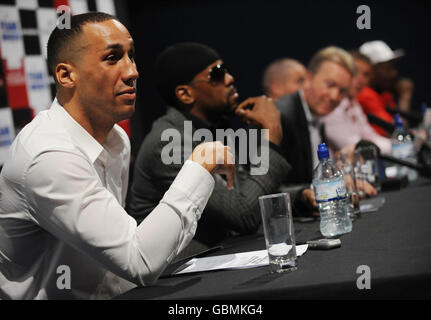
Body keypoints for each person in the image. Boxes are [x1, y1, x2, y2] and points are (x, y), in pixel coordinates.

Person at [0, 13, 235, 300]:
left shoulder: (116, 140)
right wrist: (200, 165)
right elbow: (139, 260)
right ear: (66, 75)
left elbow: (123, 260)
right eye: (112, 58)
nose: (132, 72)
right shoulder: (49, 156)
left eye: (131, 56)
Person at [130, 42, 314, 253]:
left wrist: (300, 196)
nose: (230, 78)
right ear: (185, 94)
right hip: (176, 273)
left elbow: (244, 191)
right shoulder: (168, 144)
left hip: (213, 258)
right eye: (217, 74)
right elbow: (243, 214)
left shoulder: (208, 130)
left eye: (225, 70)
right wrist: (271, 136)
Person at [273, 46, 356, 187]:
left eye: (342, 91)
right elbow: (270, 189)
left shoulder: (316, 115)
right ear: (308, 79)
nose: (334, 96)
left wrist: (340, 181)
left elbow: (312, 178)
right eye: (330, 85)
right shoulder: (280, 117)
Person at [321, 51, 392, 155]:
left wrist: (400, 146)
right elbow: (355, 146)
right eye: (355, 71)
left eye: (366, 74)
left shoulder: (353, 104)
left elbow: (370, 136)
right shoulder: (332, 104)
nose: (360, 79)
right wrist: (398, 147)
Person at [357, 40, 414, 136]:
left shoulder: (385, 93)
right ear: (372, 70)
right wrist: (405, 97)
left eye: (394, 67)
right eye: (388, 68)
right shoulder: (364, 94)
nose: (394, 73)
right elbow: (396, 132)